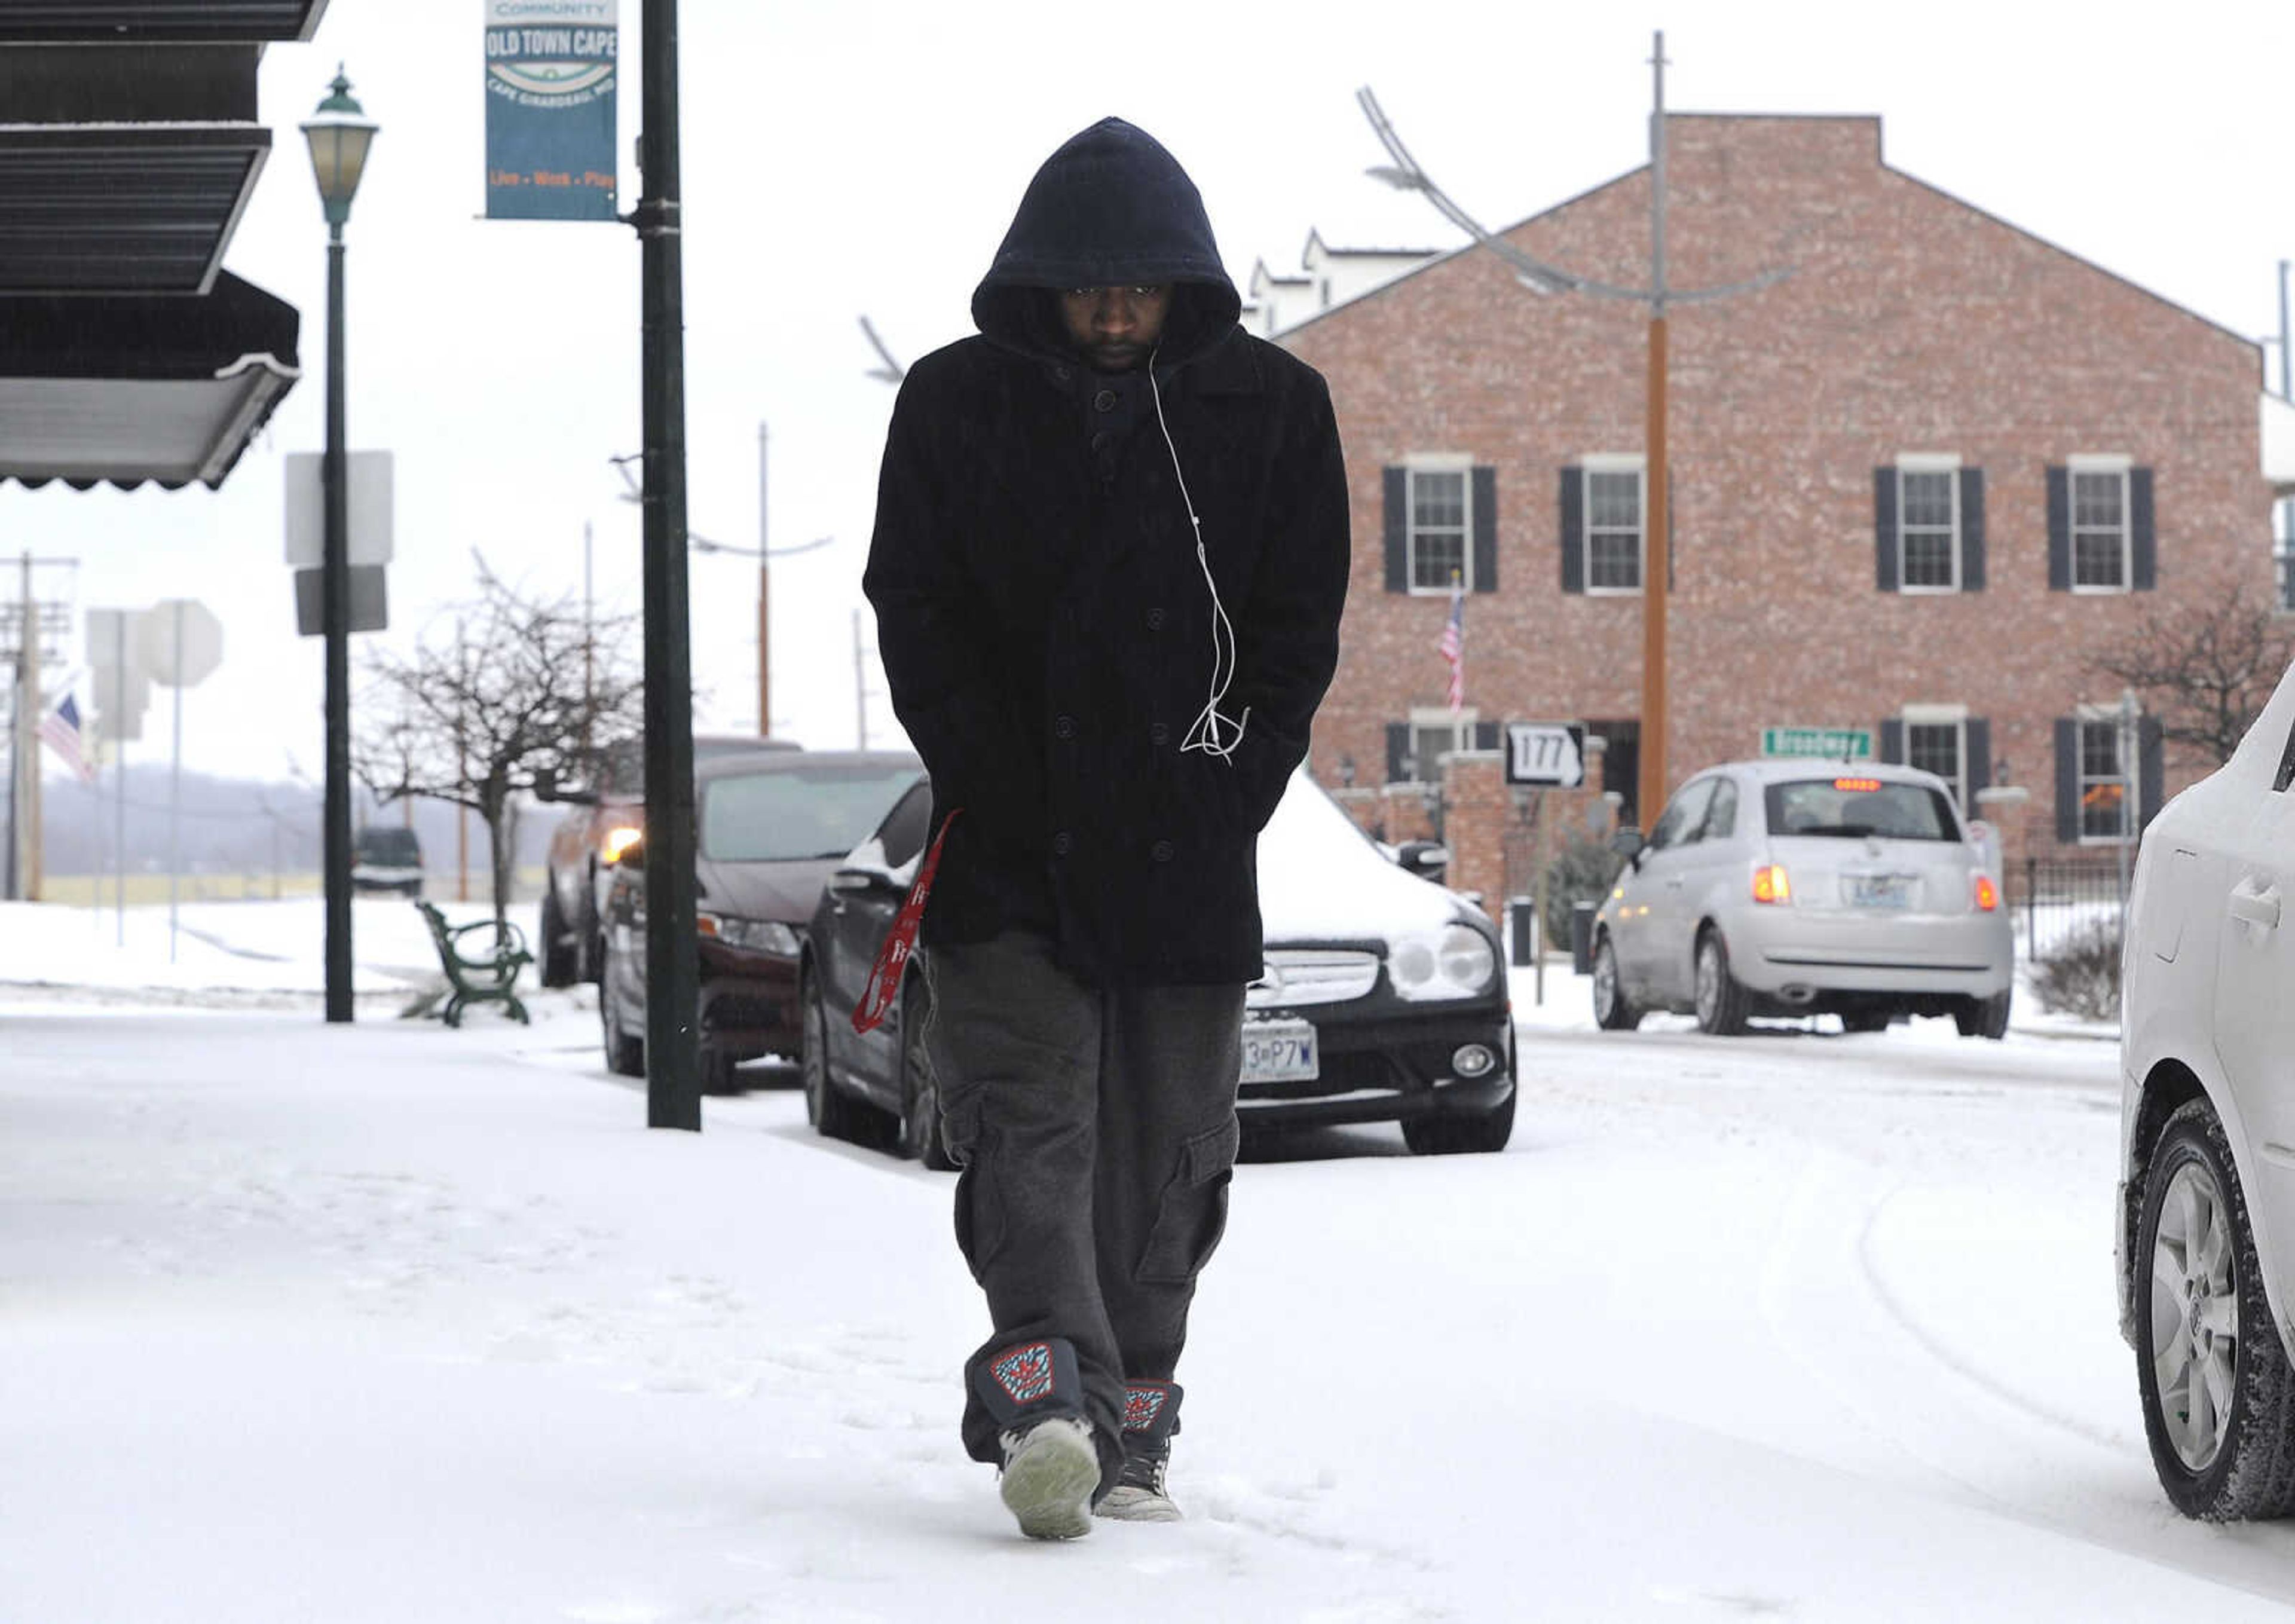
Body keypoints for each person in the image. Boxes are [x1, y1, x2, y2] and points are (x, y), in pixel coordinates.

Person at [862, 115, 1350, 1540]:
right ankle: (1048, 1409)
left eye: (1141, 288)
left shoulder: (1273, 409)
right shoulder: (955, 405)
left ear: (1187, 286)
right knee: (1027, 1130)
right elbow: (917, 606)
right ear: (1044, 286)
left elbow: (1295, 631)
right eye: (1092, 289)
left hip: (1187, 855)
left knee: (1167, 1154)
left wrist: (1230, 787)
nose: (1118, 312)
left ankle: (1134, 1416)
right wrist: (989, 774)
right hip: (1009, 851)